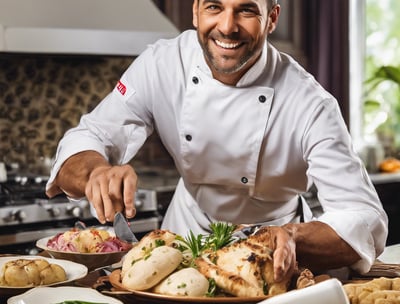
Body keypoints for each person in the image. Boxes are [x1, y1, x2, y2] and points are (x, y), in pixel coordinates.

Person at [46, 0, 388, 284]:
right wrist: (95, 173)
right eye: (214, 6)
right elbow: (89, 136)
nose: (227, 26)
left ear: (272, 18)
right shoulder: (162, 64)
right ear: (195, 11)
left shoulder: (310, 102)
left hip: (271, 256)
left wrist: (292, 238)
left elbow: (364, 217)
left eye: (246, 10)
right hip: (180, 246)